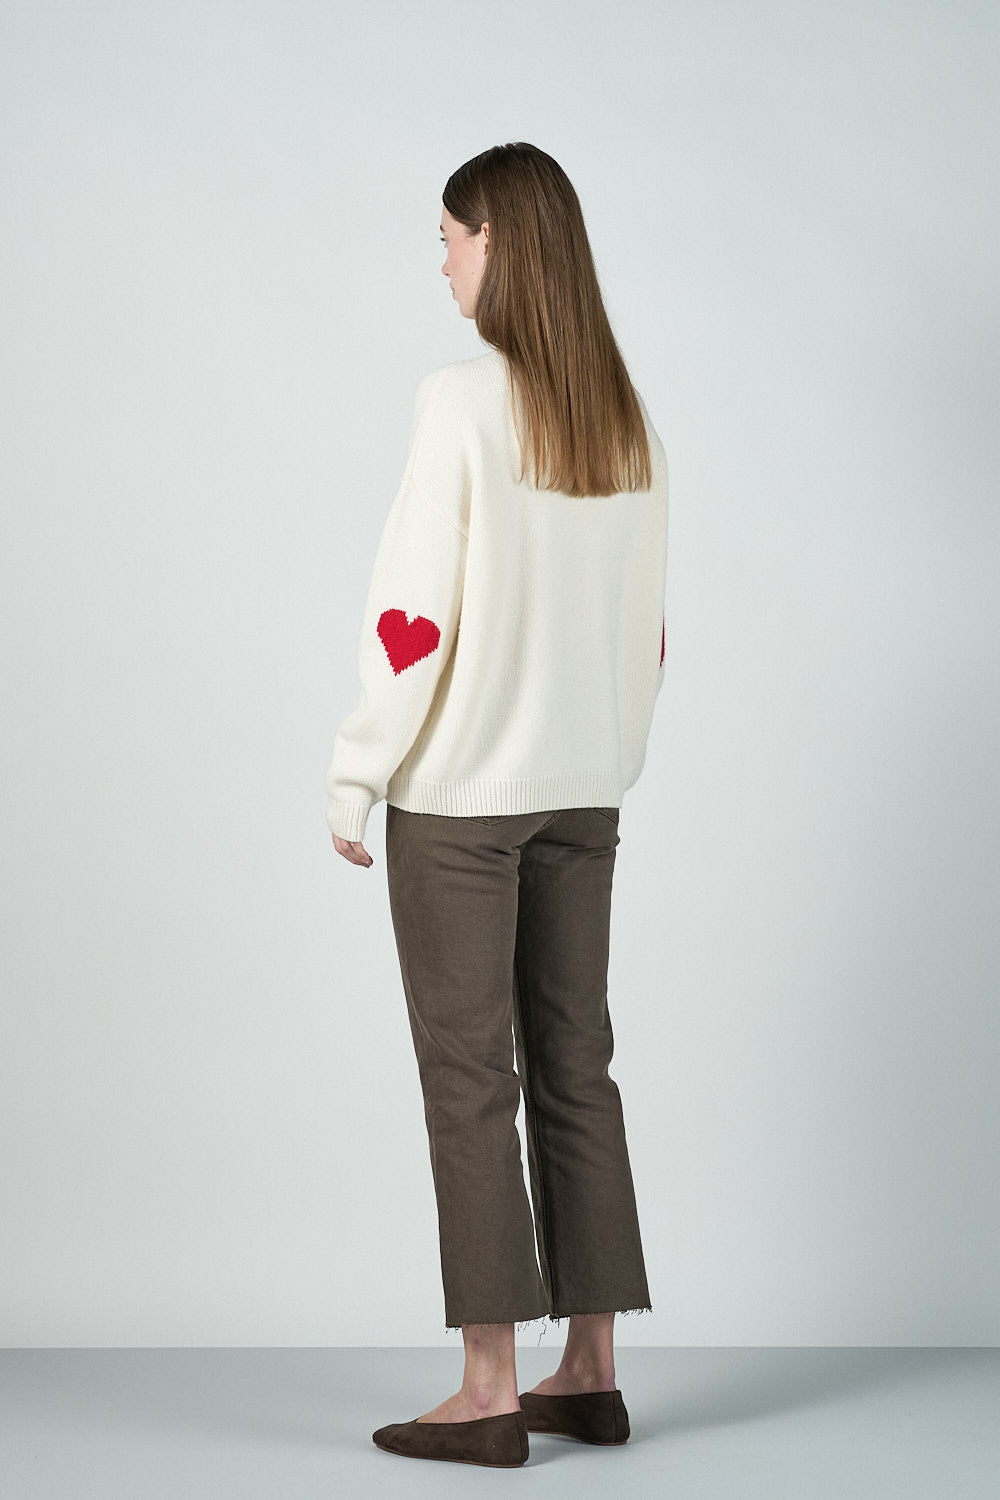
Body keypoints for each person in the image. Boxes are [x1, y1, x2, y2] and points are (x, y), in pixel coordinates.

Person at [325, 141, 669, 1469]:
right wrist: (606, 760)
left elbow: (410, 613)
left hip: (464, 800)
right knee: (578, 1063)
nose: (443, 264)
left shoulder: (460, 404)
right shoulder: (625, 420)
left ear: (500, 246)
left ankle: (487, 1390)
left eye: (451, 238)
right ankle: (590, 1370)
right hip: (585, 794)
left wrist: (360, 768)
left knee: (472, 1079)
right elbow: (646, 634)